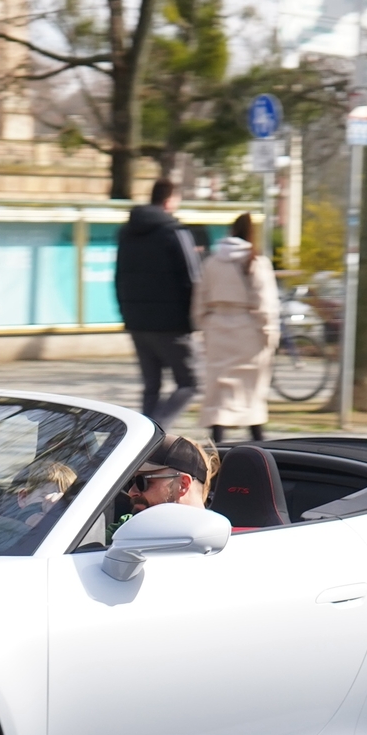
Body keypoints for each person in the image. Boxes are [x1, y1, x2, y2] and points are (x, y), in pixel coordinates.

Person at [113, 177, 205, 427]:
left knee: (151, 385)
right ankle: (153, 433)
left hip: (137, 322)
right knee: (191, 383)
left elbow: (119, 275)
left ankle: (140, 443)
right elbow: (193, 277)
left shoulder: (127, 233)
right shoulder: (176, 232)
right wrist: (193, 319)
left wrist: (127, 314)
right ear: (170, 200)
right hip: (172, 324)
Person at [195, 212, 279, 444]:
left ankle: (217, 440)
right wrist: (269, 332)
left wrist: (204, 325)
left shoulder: (212, 261)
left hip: (217, 326)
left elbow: (200, 298)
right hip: (248, 329)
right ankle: (258, 439)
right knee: (250, 387)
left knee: (219, 386)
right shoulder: (256, 262)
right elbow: (266, 302)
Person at [119, 434, 218, 519]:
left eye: (142, 482)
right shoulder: (122, 531)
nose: (131, 492)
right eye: (131, 482)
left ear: (183, 484)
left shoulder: (222, 537)